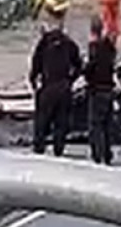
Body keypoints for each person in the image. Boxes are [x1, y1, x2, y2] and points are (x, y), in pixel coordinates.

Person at [29, 10, 83, 156]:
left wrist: (33, 81)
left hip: (48, 86)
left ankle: (39, 147)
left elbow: (35, 64)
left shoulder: (44, 43)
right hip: (63, 87)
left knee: (42, 119)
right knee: (61, 120)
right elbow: (79, 65)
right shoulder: (69, 43)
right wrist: (71, 80)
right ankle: (59, 148)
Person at [84, 14, 119, 165]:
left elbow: (91, 68)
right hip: (109, 89)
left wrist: (84, 70)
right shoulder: (108, 47)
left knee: (95, 125)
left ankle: (97, 155)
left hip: (97, 90)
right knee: (107, 124)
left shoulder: (94, 48)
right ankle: (107, 153)